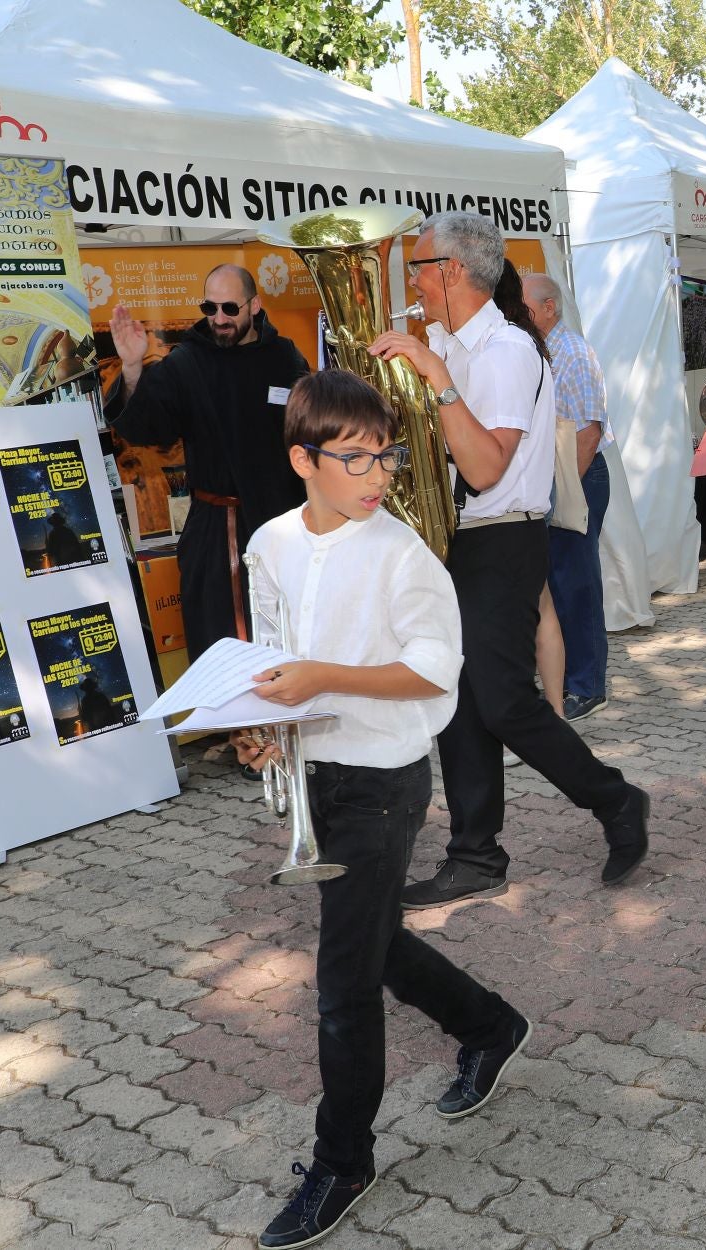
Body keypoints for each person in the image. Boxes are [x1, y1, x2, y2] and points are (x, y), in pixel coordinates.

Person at [228, 369, 532, 1250]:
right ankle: (490, 1025)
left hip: (384, 780)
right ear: (303, 459)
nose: (377, 475)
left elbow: (437, 670)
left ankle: (343, 1162)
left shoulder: (403, 554)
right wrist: (260, 729)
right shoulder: (272, 543)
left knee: (342, 984)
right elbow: (275, 657)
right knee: (371, 941)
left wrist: (325, 679)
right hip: (318, 773)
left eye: (386, 457)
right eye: (354, 458)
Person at [370, 213, 650, 907]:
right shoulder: (443, 338)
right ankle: (475, 853)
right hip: (451, 539)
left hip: (503, 537)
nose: (414, 283)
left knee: (499, 699)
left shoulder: (506, 351)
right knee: (459, 698)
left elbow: (486, 465)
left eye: (417, 267)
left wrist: (437, 378)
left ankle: (616, 800)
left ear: (452, 271)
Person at [108, 264, 310, 660]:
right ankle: (232, 725)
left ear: (255, 305)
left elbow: (312, 431)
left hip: (283, 524)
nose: (219, 319)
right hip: (219, 535)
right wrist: (132, 368)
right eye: (210, 307)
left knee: (291, 638)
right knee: (224, 648)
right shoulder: (187, 362)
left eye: (230, 308)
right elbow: (149, 428)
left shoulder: (285, 357)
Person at [523, 272, 613, 721]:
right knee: (557, 585)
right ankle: (567, 678)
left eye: (523, 306)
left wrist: (565, 495)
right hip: (556, 478)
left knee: (577, 584)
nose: (514, 313)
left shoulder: (572, 352)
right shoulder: (537, 349)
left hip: (578, 476)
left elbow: (589, 433)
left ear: (549, 308)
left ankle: (587, 686)